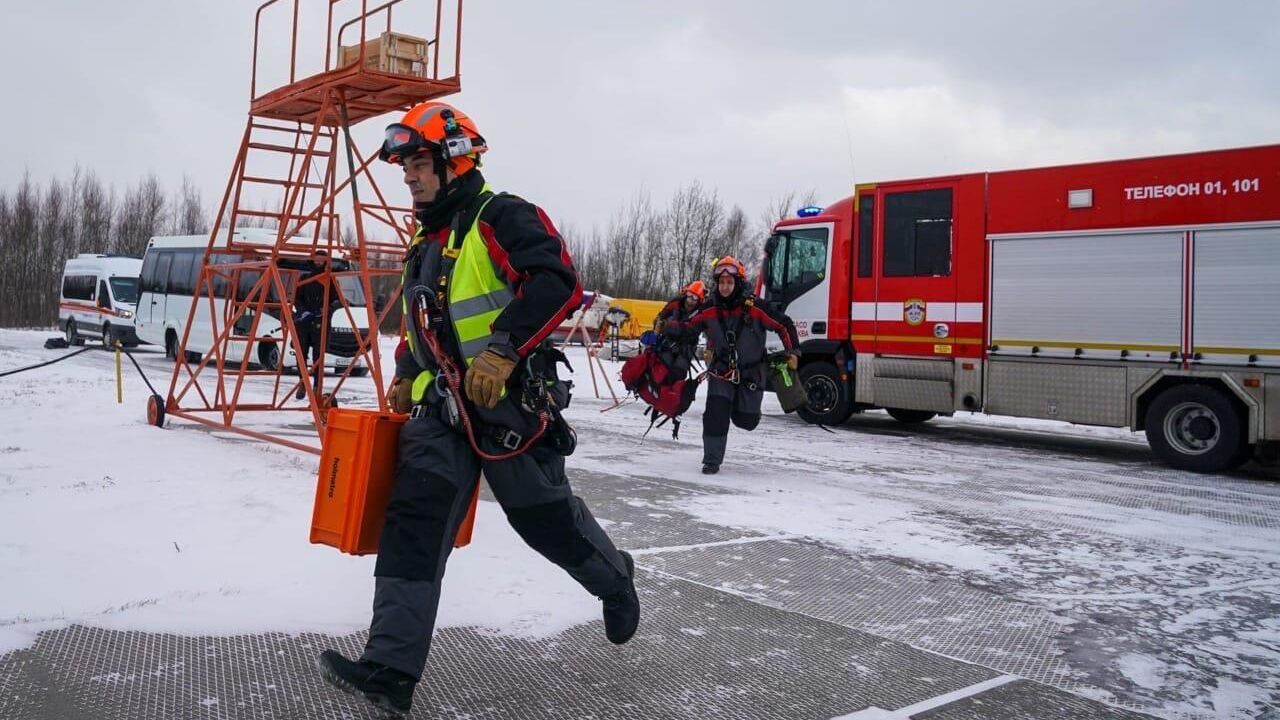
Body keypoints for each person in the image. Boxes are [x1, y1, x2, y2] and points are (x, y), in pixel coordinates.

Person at [318, 101, 639, 716]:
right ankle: (389, 670)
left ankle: (614, 579)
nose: (408, 177)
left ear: (454, 160)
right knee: (412, 525)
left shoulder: (504, 216)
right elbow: (424, 324)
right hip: (441, 415)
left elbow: (557, 281)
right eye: (404, 166)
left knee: (541, 521)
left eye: (417, 163)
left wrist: (503, 350)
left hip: (508, 411)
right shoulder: (425, 240)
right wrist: (408, 374)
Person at [677, 257, 799, 475]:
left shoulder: (755, 308)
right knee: (716, 413)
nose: (725, 287)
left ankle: (740, 409)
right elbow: (688, 328)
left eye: (729, 282)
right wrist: (666, 335)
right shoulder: (709, 309)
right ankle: (711, 461)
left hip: (751, 373)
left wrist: (793, 352)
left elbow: (784, 325)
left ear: (737, 282)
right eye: (721, 282)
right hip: (721, 372)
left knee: (747, 420)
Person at [293, 250, 330, 400]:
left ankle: (317, 386)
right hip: (304, 322)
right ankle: (302, 383)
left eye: (322, 259)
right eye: (317, 259)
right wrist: (303, 311)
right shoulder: (304, 278)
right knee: (301, 354)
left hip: (320, 322)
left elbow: (336, 300)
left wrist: (324, 309)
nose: (319, 262)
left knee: (318, 356)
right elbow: (297, 298)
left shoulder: (330, 280)